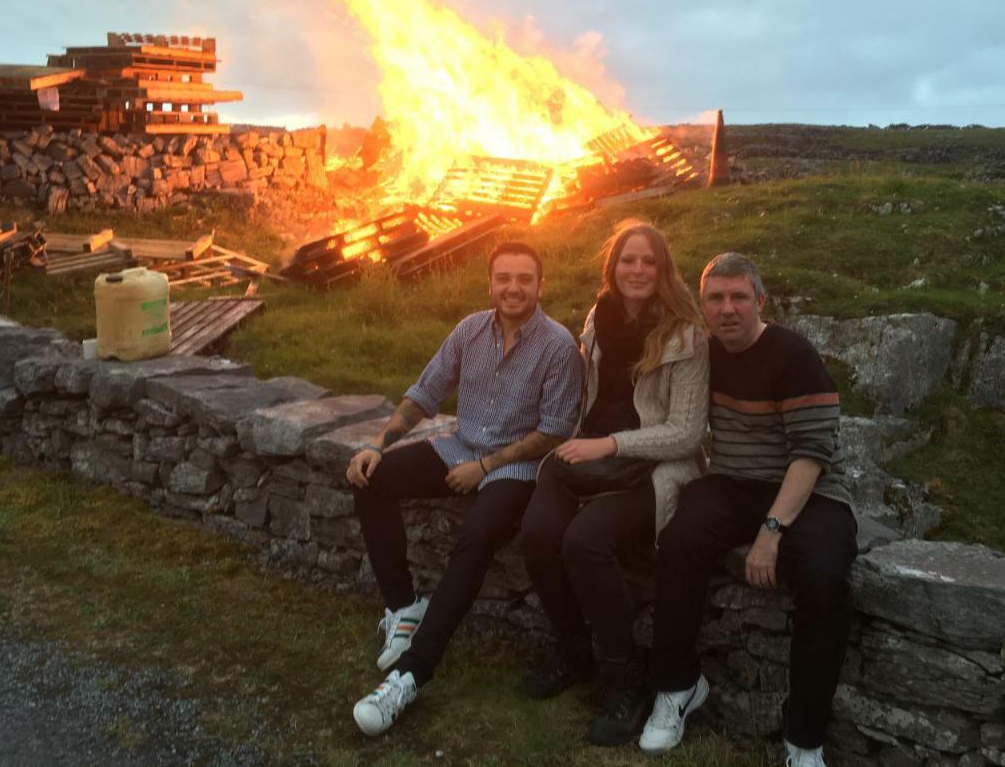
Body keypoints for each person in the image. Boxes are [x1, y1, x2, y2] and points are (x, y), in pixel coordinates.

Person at [346, 241, 583, 737]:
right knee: (372, 479)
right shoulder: (469, 331)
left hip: (517, 471)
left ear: (541, 284)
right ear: (490, 283)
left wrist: (486, 466)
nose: (513, 287)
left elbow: (556, 430)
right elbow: (424, 394)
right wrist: (378, 444)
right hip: (459, 448)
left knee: (475, 537)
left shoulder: (559, 346)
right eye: (504, 278)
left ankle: (412, 673)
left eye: (524, 278)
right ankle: (404, 605)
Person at [639, 253, 857, 767]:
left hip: (810, 492)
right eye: (716, 298)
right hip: (733, 484)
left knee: (826, 579)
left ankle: (804, 741)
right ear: (704, 306)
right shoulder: (702, 354)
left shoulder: (793, 354)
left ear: (760, 301)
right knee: (678, 542)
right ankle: (677, 687)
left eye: (739, 297)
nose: (728, 309)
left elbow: (811, 455)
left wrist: (772, 531)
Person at [518, 221, 709, 746]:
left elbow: (687, 432)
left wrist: (611, 445)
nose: (638, 270)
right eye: (629, 260)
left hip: (649, 466)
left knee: (584, 541)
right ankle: (572, 651)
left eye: (649, 261)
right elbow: (582, 395)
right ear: (613, 267)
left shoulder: (687, 335)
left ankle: (624, 677)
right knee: (536, 534)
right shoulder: (598, 319)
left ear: (664, 269)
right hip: (585, 452)